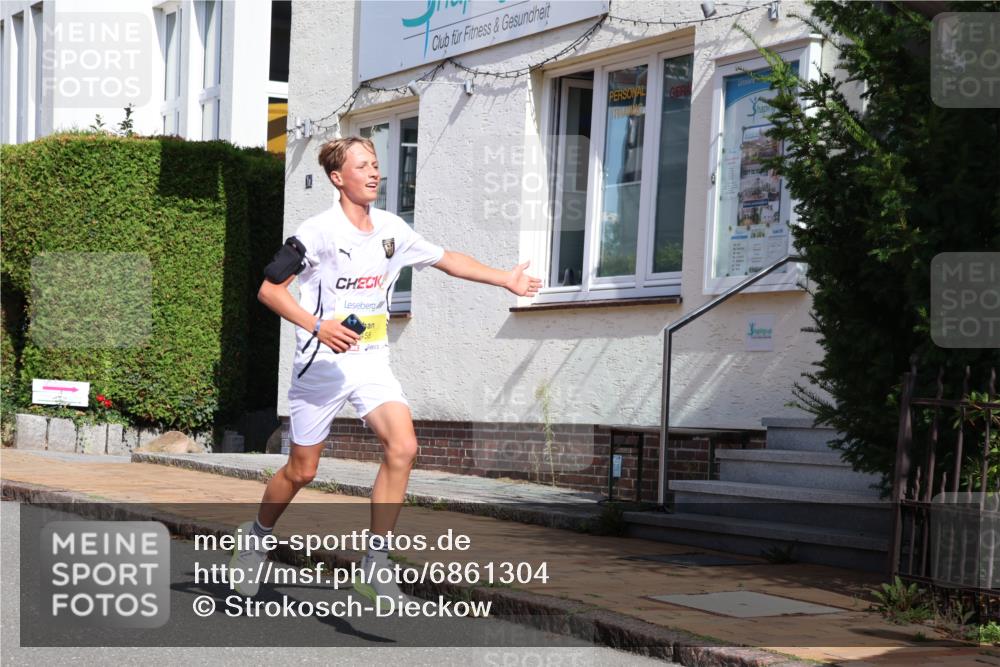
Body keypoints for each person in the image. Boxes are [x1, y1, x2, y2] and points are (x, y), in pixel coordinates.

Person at [229, 136, 541, 605]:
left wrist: (505, 279)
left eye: (376, 165)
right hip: (321, 366)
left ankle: (376, 562)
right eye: (362, 166)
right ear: (338, 178)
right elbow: (269, 291)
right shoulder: (317, 232)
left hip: (371, 360)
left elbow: (447, 259)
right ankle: (256, 537)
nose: (374, 173)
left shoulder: (392, 230)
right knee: (302, 470)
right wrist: (319, 325)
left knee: (404, 446)